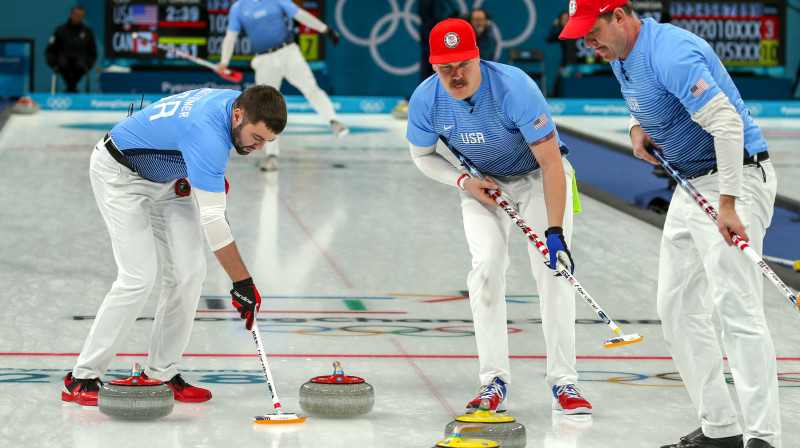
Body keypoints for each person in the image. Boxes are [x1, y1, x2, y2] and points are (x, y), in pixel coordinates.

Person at [560, 2, 780, 448]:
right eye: (581, 34)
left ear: (619, 16)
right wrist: (637, 126)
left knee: (737, 309)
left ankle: (764, 436)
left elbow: (727, 124)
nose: (587, 42)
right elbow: (645, 99)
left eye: (592, 29)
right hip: (691, 183)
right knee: (677, 306)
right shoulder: (621, 53)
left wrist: (729, 203)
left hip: (735, 179)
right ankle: (720, 429)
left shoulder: (671, 53)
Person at [406, 18, 591, 416]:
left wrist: (554, 231)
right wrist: (463, 181)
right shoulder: (425, 100)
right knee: (486, 267)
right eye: (445, 67)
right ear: (433, 65)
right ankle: (493, 381)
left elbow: (552, 163)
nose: (456, 75)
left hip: (538, 177)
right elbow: (422, 156)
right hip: (482, 183)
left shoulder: (515, 87)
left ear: (478, 57)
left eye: (463, 64)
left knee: (552, 269)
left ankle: (564, 381)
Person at [62, 85, 286, 407]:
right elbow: (214, 222)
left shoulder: (238, 104)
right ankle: (82, 377)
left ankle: (161, 372)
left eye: (268, 141)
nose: (260, 147)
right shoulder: (208, 135)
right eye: (257, 137)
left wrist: (201, 171)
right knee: (138, 277)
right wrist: (242, 283)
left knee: (190, 273)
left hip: (168, 179)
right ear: (238, 116)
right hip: (120, 175)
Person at [216, 0, 348, 172]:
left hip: (289, 53)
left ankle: (334, 120)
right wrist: (224, 61)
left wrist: (325, 29)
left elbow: (300, 15)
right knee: (265, 107)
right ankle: (271, 156)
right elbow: (230, 36)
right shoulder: (238, 7)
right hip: (264, 60)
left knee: (311, 87)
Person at [45, 5, 97, 93]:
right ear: (71, 15)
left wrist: (89, 65)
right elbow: (50, 49)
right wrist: (53, 63)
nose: (78, 17)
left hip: (80, 60)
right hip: (63, 59)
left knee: (80, 64)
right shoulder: (60, 30)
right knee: (62, 63)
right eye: (76, 15)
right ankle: (72, 87)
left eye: (81, 16)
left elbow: (93, 51)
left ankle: (71, 87)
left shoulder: (87, 32)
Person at [417, 0, 460, 83]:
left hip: (428, 31)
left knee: (429, 63)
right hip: (434, 32)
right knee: (437, 63)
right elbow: (439, 15)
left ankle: (427, 87)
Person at [545, 11, 574, 97]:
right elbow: (549, 38)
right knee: (559, 81)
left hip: (577, 63)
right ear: (560, 21)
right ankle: (554, 96)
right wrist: (554, 26)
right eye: (563, 19)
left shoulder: (576, 32)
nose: (565, 21)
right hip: (565, 63)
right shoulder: (561, 33)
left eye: (567, 19)